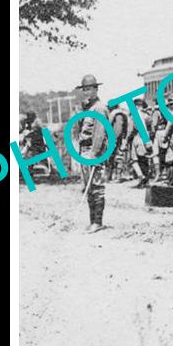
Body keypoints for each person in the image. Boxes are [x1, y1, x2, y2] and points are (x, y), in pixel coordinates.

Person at [74, 74, 111, 232]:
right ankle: (92, 221)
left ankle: (97, 221)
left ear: (96, 89)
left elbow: (100, 133)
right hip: (84, 150)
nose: (87, 92)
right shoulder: (87, 108)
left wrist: (96, 155)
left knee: (96, 186)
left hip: (93, 151)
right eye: (84, 90)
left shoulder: (99, 108)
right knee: (87, 187)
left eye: (89, 89)